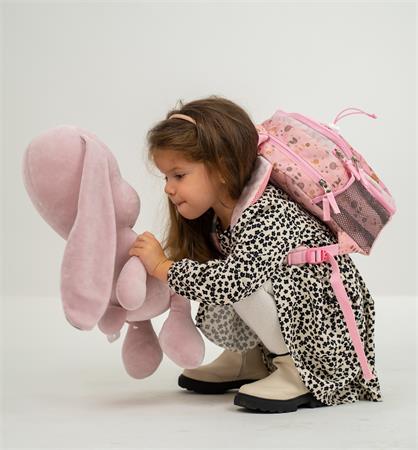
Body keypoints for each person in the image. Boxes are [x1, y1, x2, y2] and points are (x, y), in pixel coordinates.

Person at [128, 95, 382, 413]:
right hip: (299, 316)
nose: (168, 187)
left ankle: (297, 370)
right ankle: (248, 358)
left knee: (235, 279)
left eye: (179, 175)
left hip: (324, 336)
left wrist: (164, 267)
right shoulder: (224, 213)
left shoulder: (266, 211)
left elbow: (235, 282)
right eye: (166, 177)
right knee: (224, 269)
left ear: (222, 167)